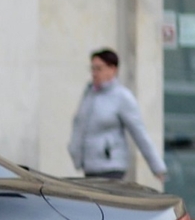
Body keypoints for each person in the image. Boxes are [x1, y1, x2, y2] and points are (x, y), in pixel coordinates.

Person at [68, 48, 166, 184]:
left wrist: (157, 167)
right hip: (90, 166)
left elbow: (139, 133)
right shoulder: (89, 94)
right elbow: (79, 125)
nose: (94, 73)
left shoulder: (122, 97)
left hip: (111, 166)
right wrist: (75, 153)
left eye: (99, 69)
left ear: (112, 69)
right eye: (92, 69)